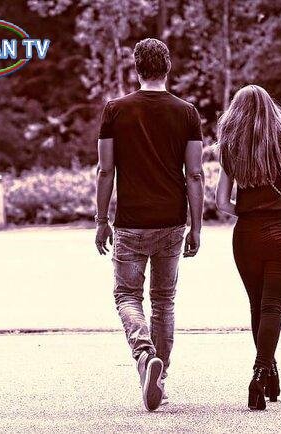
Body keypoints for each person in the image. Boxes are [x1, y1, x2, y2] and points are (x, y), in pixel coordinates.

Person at [94, 38, 204, 411]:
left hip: (131, 223)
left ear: (137, 68)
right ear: (167, 67)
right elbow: (195, 174)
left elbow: (105, 170)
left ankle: (144, 356)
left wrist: (101, 220)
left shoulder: (115, 111)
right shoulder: (187, 113)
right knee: (163, 301)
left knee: (127, 296)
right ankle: (160, 377)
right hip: (172, 221)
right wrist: (196, 226)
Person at [215, 85, 281, 410]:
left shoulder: (231, 147)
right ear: (271, 109)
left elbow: (222, 202)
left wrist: (250, 211)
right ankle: (263, 372)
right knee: (273, 307)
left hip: (247, 235)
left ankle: (268, 372)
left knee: (257, 306)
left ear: (236, 114)